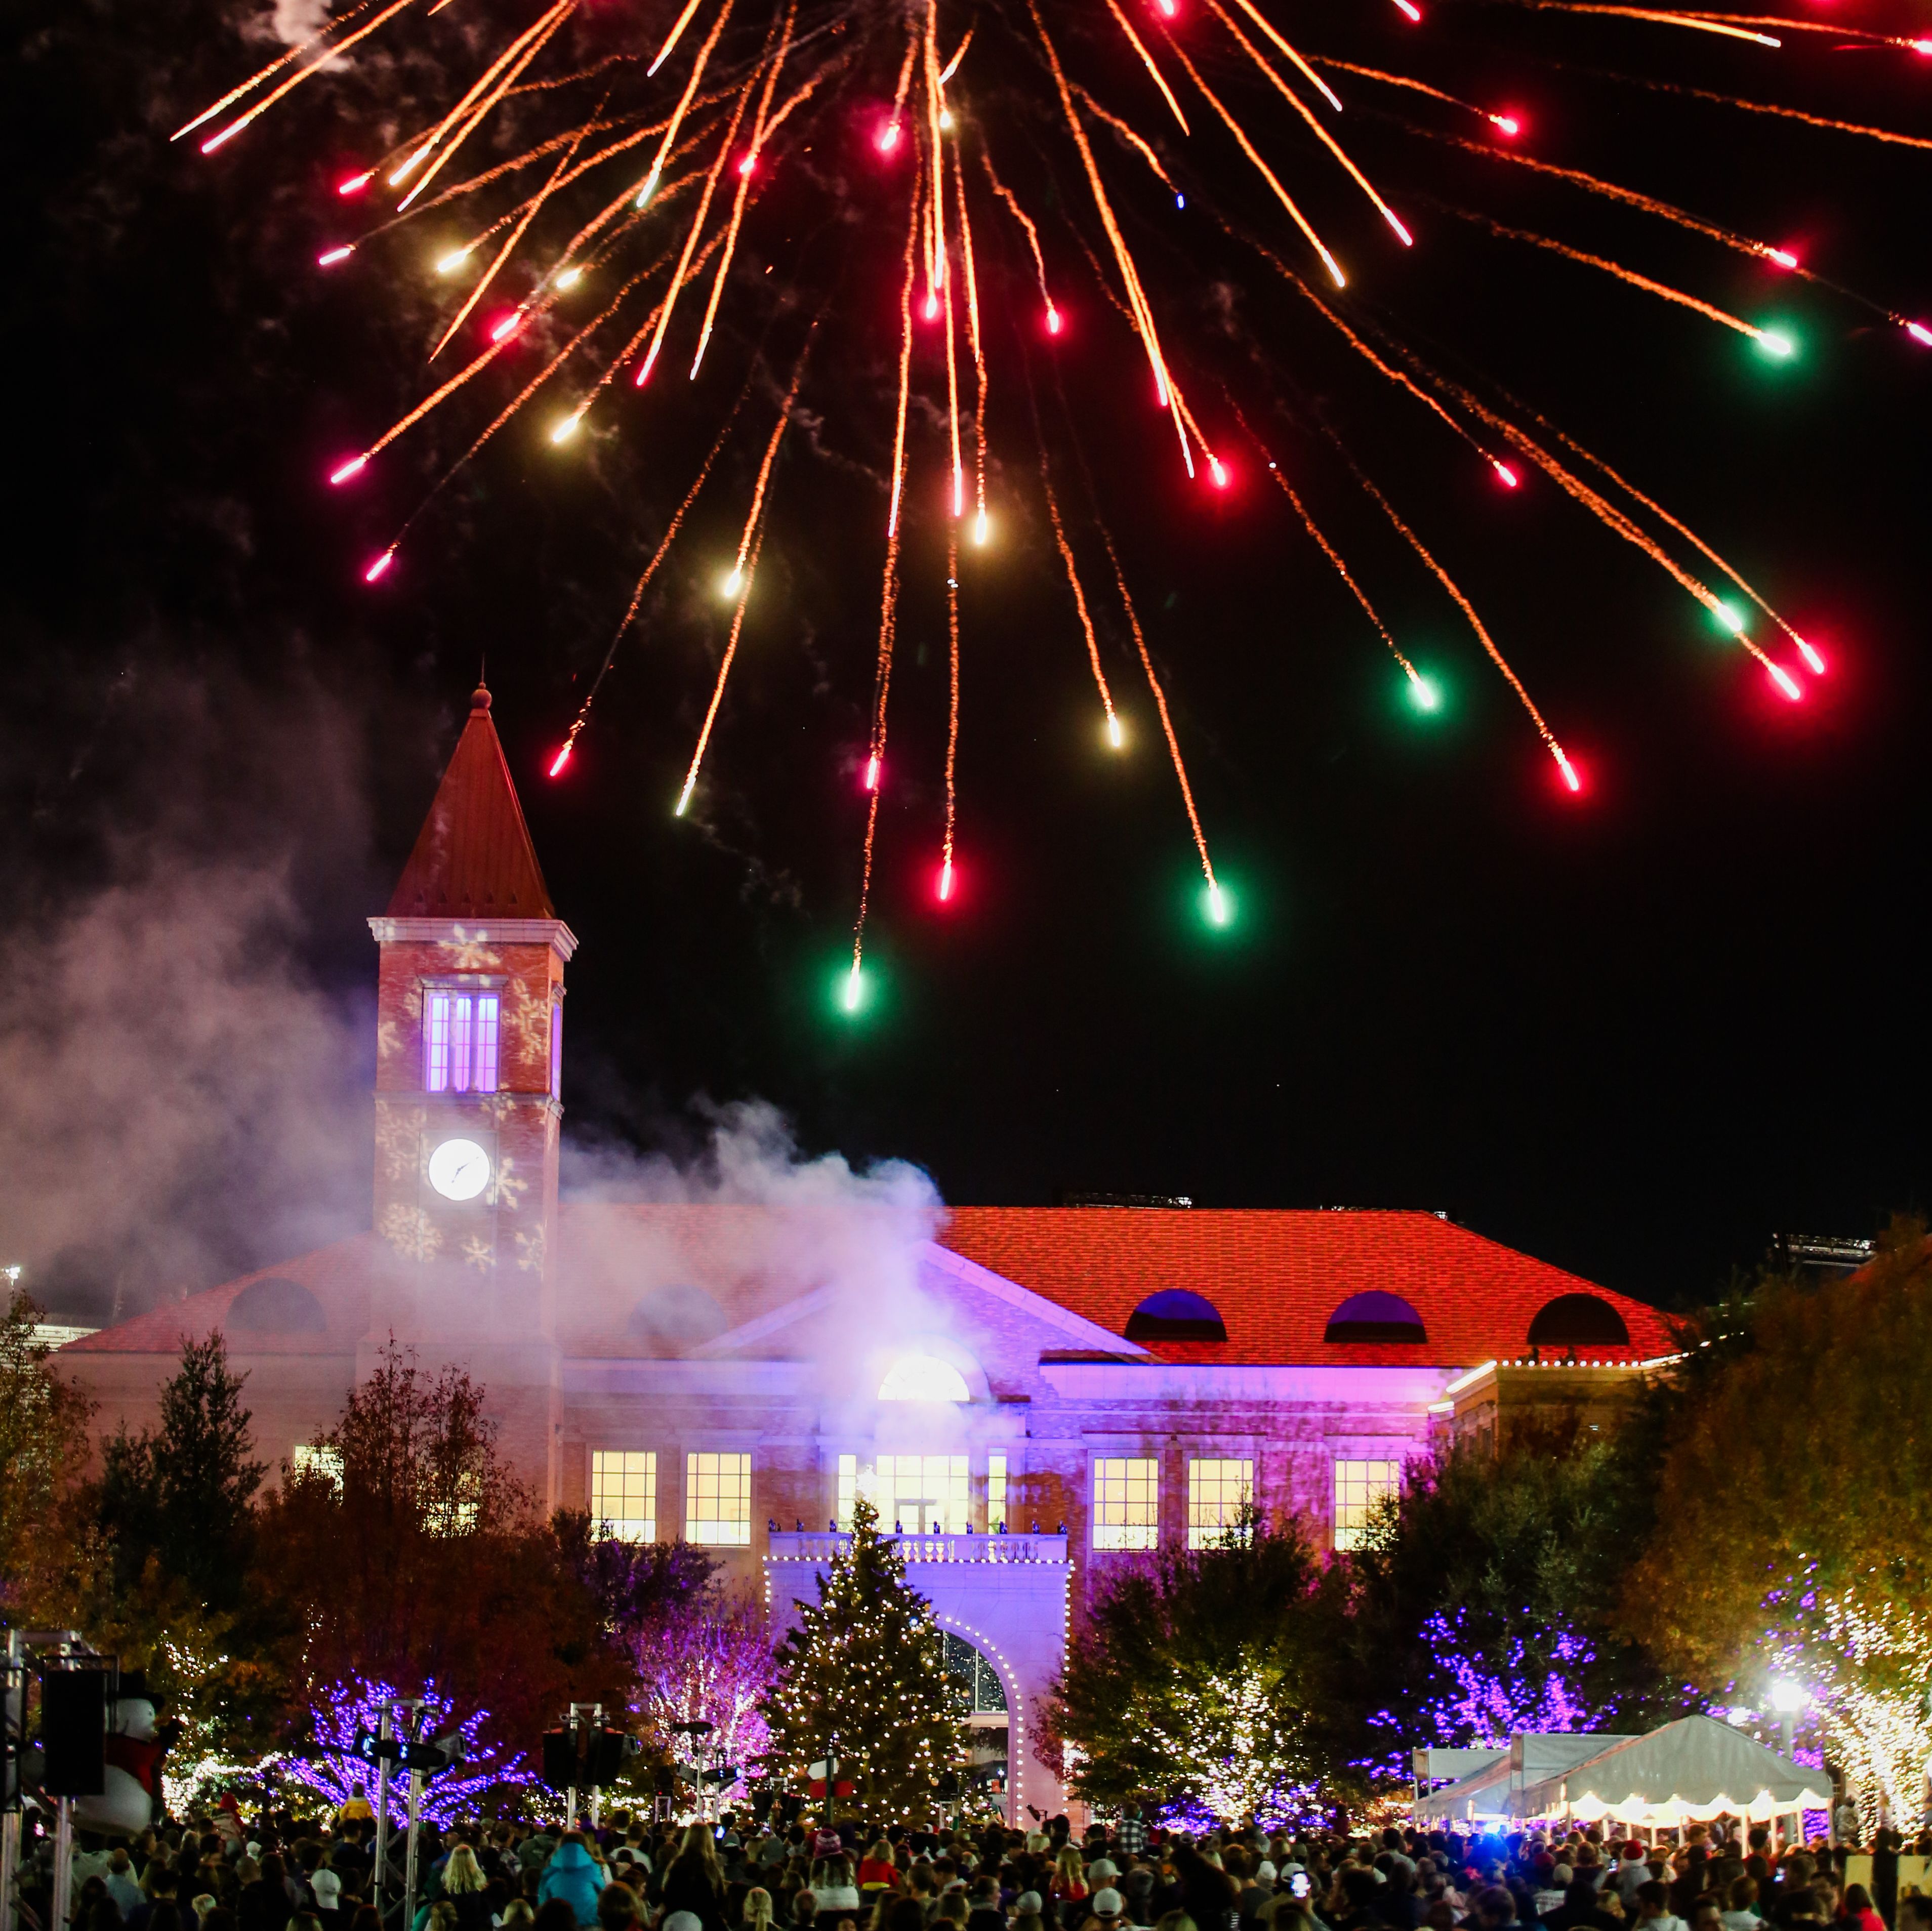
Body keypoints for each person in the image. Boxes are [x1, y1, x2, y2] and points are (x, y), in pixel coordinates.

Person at [538, 1836, 606, 1930]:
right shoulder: (594, 1868)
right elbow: (603, 1894)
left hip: (560, 1922)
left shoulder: (551, 1870)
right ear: (585, 1847)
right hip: (590, 1922)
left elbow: (543, 1901)